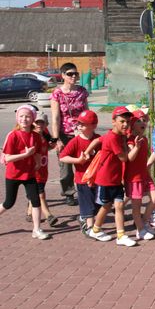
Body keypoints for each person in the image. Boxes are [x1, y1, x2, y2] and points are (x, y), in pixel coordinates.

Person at [85, 107, 137, 246]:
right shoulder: (112, 138)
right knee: (106, 206)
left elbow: (97, 140)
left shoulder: (117, 135)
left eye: (128, 122)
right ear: (113, 121)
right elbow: (124, 158)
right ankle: (95, 230)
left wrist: (87, 151)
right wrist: (131, 146)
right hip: (105, 180)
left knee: (119, 205)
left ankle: (121, 235)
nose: (125, 124)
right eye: (122, 121)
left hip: (116, 179)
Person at [0, 105, 49, 240]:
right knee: (9, 203)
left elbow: (37, 152)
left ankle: (36, 229)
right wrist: (25, 155)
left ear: (32, 119)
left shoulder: (36, 136)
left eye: (27, 116)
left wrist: (38, 164)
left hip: (29, 175)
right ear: (17, 118)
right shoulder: (13, 135)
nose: (24, 119)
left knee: (36, 201)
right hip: (13, 175)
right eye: (21, 116)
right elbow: (7, 158)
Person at [50, 62, 88, 206]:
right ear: (63, 76)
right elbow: (55, 118)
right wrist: (56, 139)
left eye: (75, 73)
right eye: (70, 74)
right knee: (65, 167)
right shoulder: (57, 93)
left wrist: (89, 130)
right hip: (64, 134)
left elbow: (87, 112)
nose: (73, 76)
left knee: (84, 162)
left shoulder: (82, 91)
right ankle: (68, 193)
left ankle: (86, 189)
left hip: (81, 134)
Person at [59, 110, 102, 237]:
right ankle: (89, 228)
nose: (79, 126)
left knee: (98, 205)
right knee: (88, 205)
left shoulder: (98, 139)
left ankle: (83, 217)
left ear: (93, 125)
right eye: (79, 123)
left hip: (97, 179)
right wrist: (78, 160)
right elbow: (63, 157)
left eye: (83, 124)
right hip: (82, 179)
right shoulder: (75, 141)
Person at [124, 110, 155, 241]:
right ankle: (140, 230)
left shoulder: (144, 139)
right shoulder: (130, 140)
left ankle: (143, 222)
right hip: (135, 178)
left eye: (144, 120)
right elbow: (130, 157)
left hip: (145, 175)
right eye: (138, 120)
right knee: (136, 206)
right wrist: (136, 147)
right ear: (132, 124)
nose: (142, 122)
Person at [27, 111, 57, 227]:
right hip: (34, 169)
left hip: (43, 169)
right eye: (37, 122)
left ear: (46, 124)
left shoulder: (45, 134)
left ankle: (29, 212)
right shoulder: (30, 135)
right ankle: (49, 215)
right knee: (41, 194)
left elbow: (46, 148)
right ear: (32, 123)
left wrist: (52, 145)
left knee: (36, 192)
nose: (39, 125)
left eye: (42, 123)